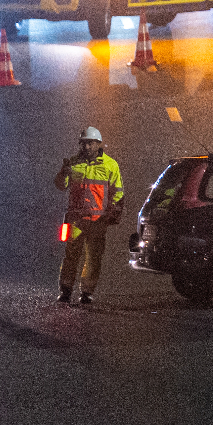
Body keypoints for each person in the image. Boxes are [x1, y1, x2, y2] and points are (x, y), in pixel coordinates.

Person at [53, 125, 124, 304]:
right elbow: (61, 186)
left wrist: (113, 212)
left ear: (99, 144)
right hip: (76, 219)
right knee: (71, 256)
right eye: (83, 144)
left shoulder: (110, 165)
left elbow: (118, 191)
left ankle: (87, 292)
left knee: (93, 258)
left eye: (90, 143)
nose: (86, 147)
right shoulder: (72, 162)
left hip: (97, 220)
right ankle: (66, 290)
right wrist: (63, 172)